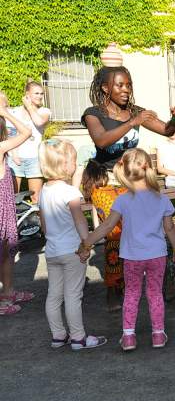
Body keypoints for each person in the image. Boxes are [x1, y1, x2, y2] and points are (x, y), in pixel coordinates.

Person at [79, 148, 175, 351]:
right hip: (157, 255)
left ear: (124, 171)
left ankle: (128, 337)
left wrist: (86, 243)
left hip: (132, 256)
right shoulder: (161, 199)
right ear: (148, 168)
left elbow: (107, 226)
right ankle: (158, 335)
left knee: (132, 294)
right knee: (155, 294)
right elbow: (170, 228)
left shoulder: (123, 200)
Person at [38, 139, 107, 349]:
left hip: (52, 251)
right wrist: (86, 245)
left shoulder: (43, 191)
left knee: (54, 295)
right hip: (72, 251)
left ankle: (58, 335)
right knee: (73, 295)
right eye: (74, 161)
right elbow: (80, 221)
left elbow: (44, 226)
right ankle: (78, 337)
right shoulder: (70, 192)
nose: (76, 166)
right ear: (65, 165)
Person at [80, 66, 175, 182]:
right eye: (120, 85)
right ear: (105, 88)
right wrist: (132, 122)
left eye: (128, 86)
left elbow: (167, 131)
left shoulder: (135, 112)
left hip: (130, 176)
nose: (126, 90)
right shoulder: (93, 113)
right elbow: (101, 141)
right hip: (105, 177)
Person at [0, 91, 33, 315]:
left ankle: (8, 292)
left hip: (5, 208)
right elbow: (26, 132)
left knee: (7, 251)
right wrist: (6, 113)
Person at [81, 160, 127, 312]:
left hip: (113, 237)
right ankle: (121, 292)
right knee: (124, 267)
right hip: (126, 234)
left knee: (113, 268)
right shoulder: (115, 191)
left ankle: (113, 297)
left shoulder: (95, 193)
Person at [6, 81, 50, 203]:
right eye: (36, 93)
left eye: (41, 93)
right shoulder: (14, 112)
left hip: (34, 159)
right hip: (14, 158)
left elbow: (39, 122)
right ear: (27, 94)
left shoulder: (44, 111)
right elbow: (10, 134)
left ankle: (38, 216)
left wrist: (29, 106)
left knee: (36, 197)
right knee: (12, 197)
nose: (40, 96)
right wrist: (14, 154)